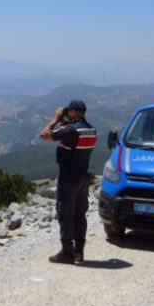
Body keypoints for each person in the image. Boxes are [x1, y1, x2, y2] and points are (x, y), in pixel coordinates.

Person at [39, 100, 97, 264]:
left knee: (65, 214)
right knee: (80, 215)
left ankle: (66, 252)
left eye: (68, 111)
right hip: (83, 177)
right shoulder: (91, 130)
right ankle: (79, 252)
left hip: (69, 177)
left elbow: (44, 134)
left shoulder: (71, 130)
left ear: (72, 112)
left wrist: (56, 118)